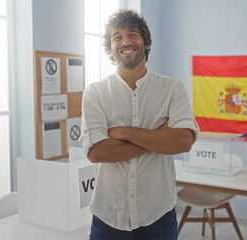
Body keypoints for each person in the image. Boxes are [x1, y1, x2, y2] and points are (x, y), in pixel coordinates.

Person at [79, 9, 199, 240]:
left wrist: (122, 133)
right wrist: (158, 137)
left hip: (159, 215)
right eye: (117, 36)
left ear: (146, 42)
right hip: (109, 216)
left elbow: (183, 141)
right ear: (110, 47)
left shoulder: (172, 88)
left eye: (132, 34)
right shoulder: (95, 93)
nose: (125, 42)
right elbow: (97, 152)